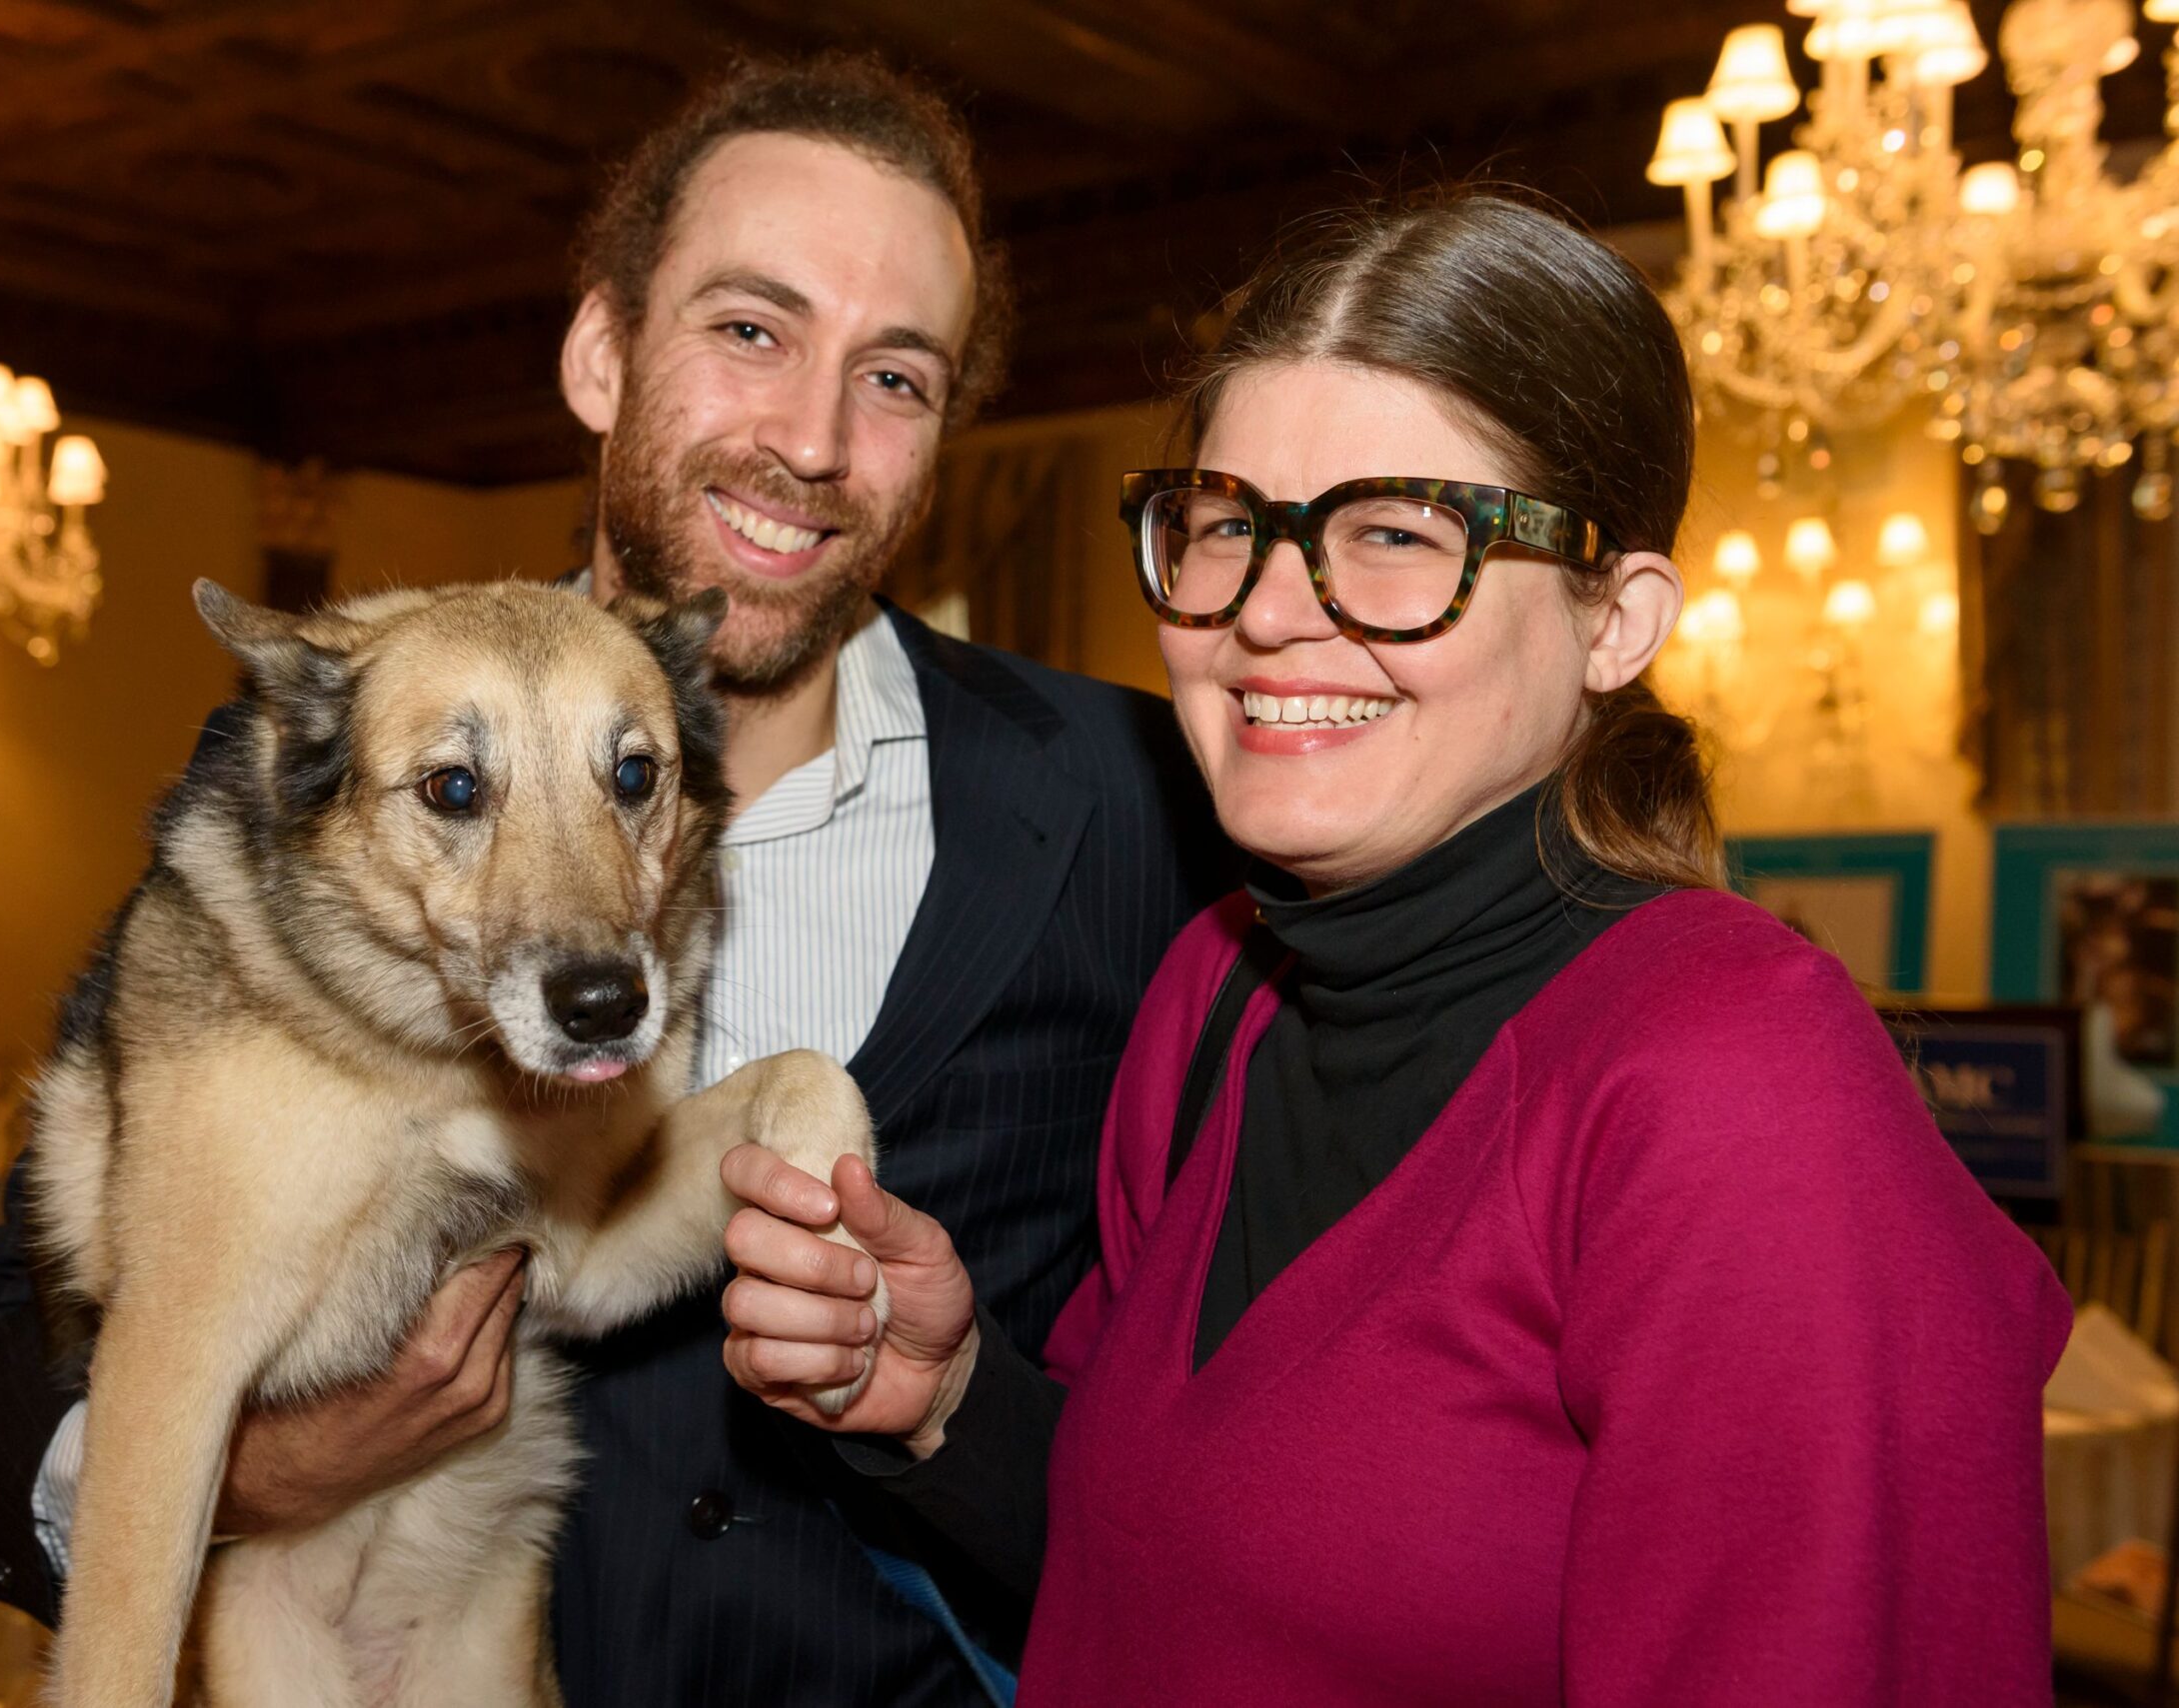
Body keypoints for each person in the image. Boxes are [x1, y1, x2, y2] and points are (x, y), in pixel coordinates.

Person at [0, 54, 1230, 1707]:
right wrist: (267, 1470)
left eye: (896, 378)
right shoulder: (314, 775)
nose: (813, 439)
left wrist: (952, 1393)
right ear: (602, 351)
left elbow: (1219, 1441)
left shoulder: (1147, 804)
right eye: (750, 330)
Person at [719, 193, 2074, 1706]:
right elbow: (1164, 1598)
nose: (1271, 612)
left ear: (1615, 620)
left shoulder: (1735, 1086)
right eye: (1227, 524)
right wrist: (949, 1402)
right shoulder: (1216, 995)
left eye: (1394, 535)